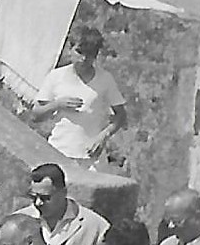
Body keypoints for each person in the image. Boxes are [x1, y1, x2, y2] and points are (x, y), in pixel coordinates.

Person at [31, 27, 128, 170]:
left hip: (90, 157)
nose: (83, 59)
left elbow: (121, 115)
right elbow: (35, 115)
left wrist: (103, 136)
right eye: (80, 52)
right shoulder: (56, 76)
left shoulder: (105, 79)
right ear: (70, 49)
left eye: (90, 54)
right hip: (58, 151)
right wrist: (57, 104)